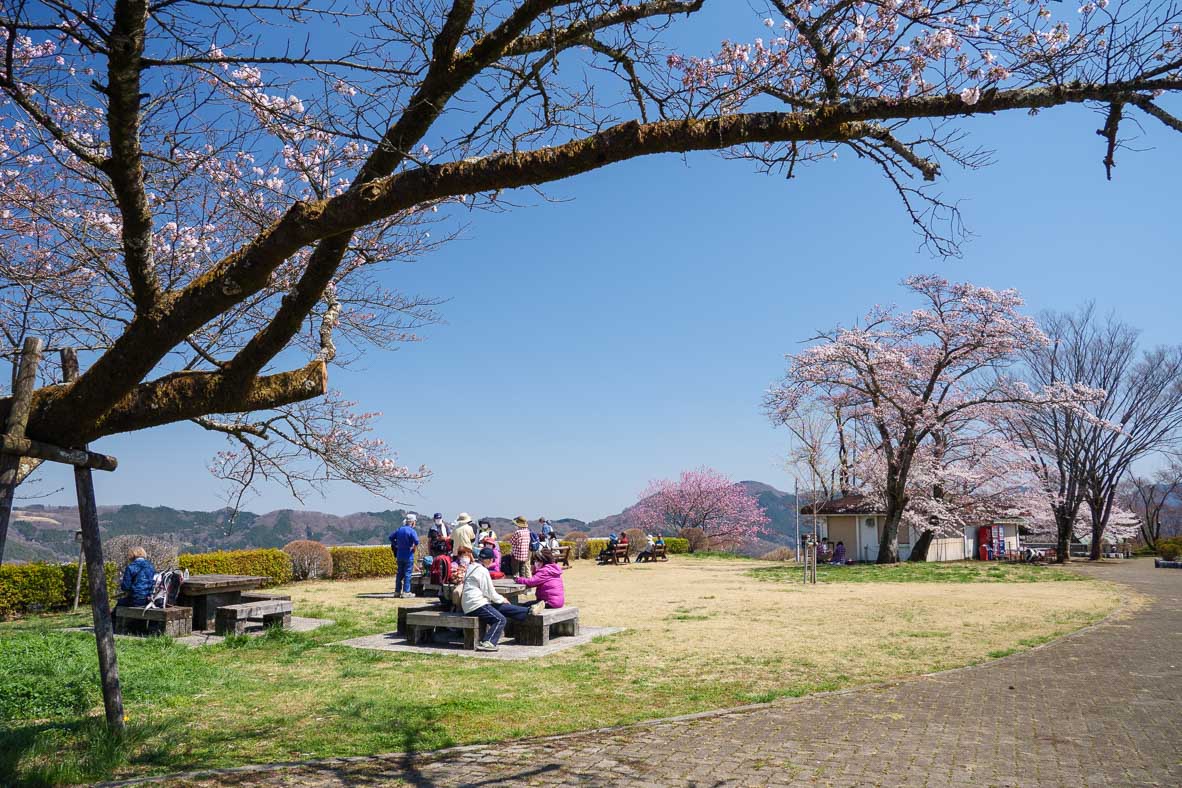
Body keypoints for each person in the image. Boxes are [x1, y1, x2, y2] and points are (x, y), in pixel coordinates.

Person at [463, 547, 534, 651]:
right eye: (493, 559)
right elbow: (489, 592)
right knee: (500, 619)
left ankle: (529, 610)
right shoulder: (482, 570)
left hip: (472, 603)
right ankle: (488, 643)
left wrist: (500, 600)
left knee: (501, 607)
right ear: (489, 560)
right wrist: (502, 599)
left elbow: (488, 593)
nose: (493, 562)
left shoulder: (472, 566)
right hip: (476, 605)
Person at [114, 547, 156, 616]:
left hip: (135, 600)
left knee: (119, 605)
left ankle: (113, 625)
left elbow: (125, 587)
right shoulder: (151, 566)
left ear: (132, 555)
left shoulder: (131, 567)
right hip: (148, 600)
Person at [389, 513, 420, 598]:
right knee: (407, 573)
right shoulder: (411, 531)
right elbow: (417, 541)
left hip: (399, 555)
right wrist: (413, 547)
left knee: (399, 573)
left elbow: (391, 537)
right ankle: (406, 592)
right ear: (412, 522)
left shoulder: (399, 529)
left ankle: (397, 592)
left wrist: (396, 544)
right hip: (408, 555)